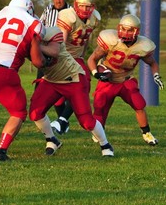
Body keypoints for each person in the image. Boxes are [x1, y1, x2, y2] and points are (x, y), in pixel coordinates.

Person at [29, 26, 114, 157]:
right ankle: (52, 140)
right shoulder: (23, 39)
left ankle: (105, 144)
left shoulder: (52, 32)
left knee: (86, 121)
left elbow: (54, 51)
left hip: (73, 78)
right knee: (35, 112)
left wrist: (34, 44)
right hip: (51, 80)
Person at [87, 14, 164, 146]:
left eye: (129, 30)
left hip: (126, 79)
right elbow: (92, 59)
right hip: (109, 79)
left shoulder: (142, 46)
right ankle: (99, 133)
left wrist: (156, 75)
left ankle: (146, 133)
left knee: (139, 104)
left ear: (136, 31)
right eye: (123, 28)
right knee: (100, 107)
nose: (125, 33)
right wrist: (95, 73)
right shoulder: (110, 40)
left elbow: (153, 63)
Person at [0, 0, 47, 161]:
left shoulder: (2, 14)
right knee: (18, 112)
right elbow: (37, 61)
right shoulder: (32, 24)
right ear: (29, 9)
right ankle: (0, 151)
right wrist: (47, 60)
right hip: (5, 71)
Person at [50, 0, 100, 135]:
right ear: (75, 5)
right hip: (63, 56)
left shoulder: (93, 19)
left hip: (76, 57)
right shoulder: (68, 16)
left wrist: (81, 57)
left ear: (92, 6)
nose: (85, 9)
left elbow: (86, 39)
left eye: (88, 6)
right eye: (82, 6)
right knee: (58, 94)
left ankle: (62, 121)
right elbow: (61, 43)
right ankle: (61, 121)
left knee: (83, 86)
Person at [37, 0, 71, 119]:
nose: (58, 1)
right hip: (48, 51)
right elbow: (40, 25)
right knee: (40, 84)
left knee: (66, 89)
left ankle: (62, 120)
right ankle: (39, 116)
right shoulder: (48, 10)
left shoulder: (71, 11)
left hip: (65, 53)